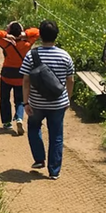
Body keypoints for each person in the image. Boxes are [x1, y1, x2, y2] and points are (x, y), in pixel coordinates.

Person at [19, 20, 75, 180]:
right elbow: (70, 80)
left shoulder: (32, 55)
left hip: (37, 103)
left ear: (40, 36)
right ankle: (54, 171)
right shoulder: (65, 56)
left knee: (34, 127)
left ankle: (39, 159)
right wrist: (67, 100)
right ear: (56, 35)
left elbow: (26, 81)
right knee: (56, 135)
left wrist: (26, 102)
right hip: (58, 103)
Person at [0, 22, 41, 134]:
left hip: (6, 74)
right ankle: (19, 118)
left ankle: (7, 123)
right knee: (20, 100)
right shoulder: (27, 44)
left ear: (9, 32)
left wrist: (5, 35)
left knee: (4, 99)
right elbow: (37, 32)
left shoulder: (6, 43)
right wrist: (25, 34)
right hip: (21, 75)